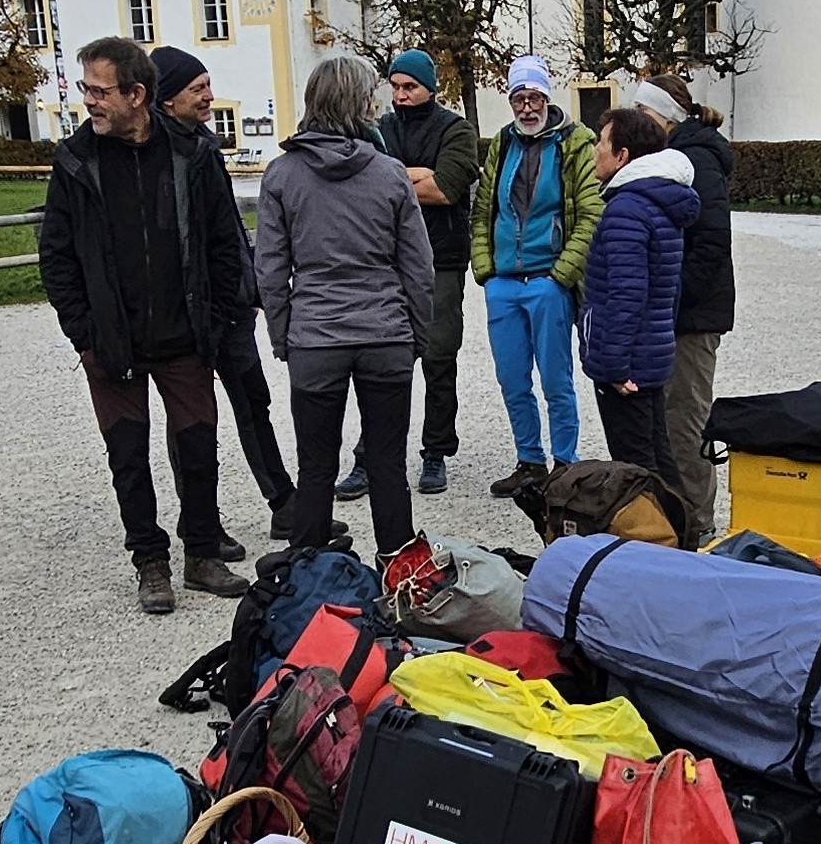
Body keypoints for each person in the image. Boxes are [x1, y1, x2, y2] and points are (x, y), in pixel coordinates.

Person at [38, 37, 249, 616]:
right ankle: (150, 562)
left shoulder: (192, 153)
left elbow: (223, 243)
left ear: (137, 94)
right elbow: (56, 257)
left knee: (199, 444)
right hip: (111, 340)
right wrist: (83, 333)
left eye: (100, 90)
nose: (89, 101)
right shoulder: (76, 160)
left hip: (184, 336)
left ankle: (202, 552)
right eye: (86, 89)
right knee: (127, 454)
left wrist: (216, 316)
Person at [254, 55, 435, 561]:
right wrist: (417, 335)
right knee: (388, 465)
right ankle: (398, 570)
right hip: (385, 332)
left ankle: (306, 577)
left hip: (316, 334)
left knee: (315, 467)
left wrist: (283, 334)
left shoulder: (282, 175)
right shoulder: (390, 174)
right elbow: (418, 269)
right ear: (361, 105)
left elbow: (270, 269)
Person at [150, 45, 297, 550]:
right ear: (167, 100)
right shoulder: (160, 157)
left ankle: (283, 503)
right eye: (197, 89)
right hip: (190, 312)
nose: (209, 96)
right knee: (192, 421)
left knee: (254, 401)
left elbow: (228, 233)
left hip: (231, 307)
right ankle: (199, 522)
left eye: (208, 85)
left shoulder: (204, 150)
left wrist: (247, 286)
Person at [336, 50, 479, 502]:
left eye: (409, 87)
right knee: (380, 362)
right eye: (394, 86)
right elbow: (364, 185)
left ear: (429, 87)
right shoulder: (379, 129)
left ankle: (435, 449)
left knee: (439, 357)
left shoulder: (456, 129)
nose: (400, 95)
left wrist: (395, 177)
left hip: (441, 258)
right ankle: (368, 455)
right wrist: (413, 176)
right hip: (386, 258)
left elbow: (444, 189)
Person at [471, 55, 602, 497]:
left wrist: (561, 274)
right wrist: (487, 271)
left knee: (556, 379)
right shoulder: (502, 144)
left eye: (535, 98)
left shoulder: (574, 143)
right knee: (512, 379)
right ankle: (530, 461)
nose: (527, 108)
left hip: (548, 281)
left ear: (547, 97)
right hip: (504, 284)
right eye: (519, 99)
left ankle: (564, 464)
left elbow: (590, 213)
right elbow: (483, 211)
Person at [631, 71, 735, 539]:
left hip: (690, 317)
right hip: (671, 313)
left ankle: (699, 527)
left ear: (665, 118)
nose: (638, 122)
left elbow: (710, 246)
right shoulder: (670, 157)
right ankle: (671, 523)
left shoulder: (697, 161)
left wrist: (667, 301)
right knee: (663, 423)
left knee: (685, 425)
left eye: (644, 113)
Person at [579, 107, 700, 504]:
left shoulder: (626, 210)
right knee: (658, 459)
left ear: (623, 156)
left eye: (601, 142)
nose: (595, 149)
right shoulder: (654, 204)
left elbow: (627, 295)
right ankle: (681, 540)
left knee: (636, 471)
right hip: (650, 352)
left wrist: (613, 365)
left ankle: (658, 550)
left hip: (628, 363)